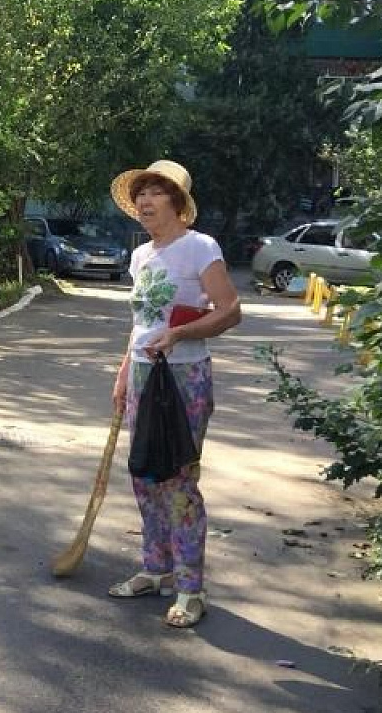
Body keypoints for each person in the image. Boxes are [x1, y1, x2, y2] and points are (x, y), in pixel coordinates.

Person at [106, 159, 241, 628]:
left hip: (184, 379)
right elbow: (140, 325)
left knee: (178, 481)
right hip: (144, 376)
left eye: (156, 192)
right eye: (140, 191)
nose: (145, 199)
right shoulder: (141, 255)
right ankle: (156, 567)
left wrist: (181, 336)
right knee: (144, 476)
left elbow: (229, 311)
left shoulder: (199, 247)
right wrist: (124, 373)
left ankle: (190, 587)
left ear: (178, 203)